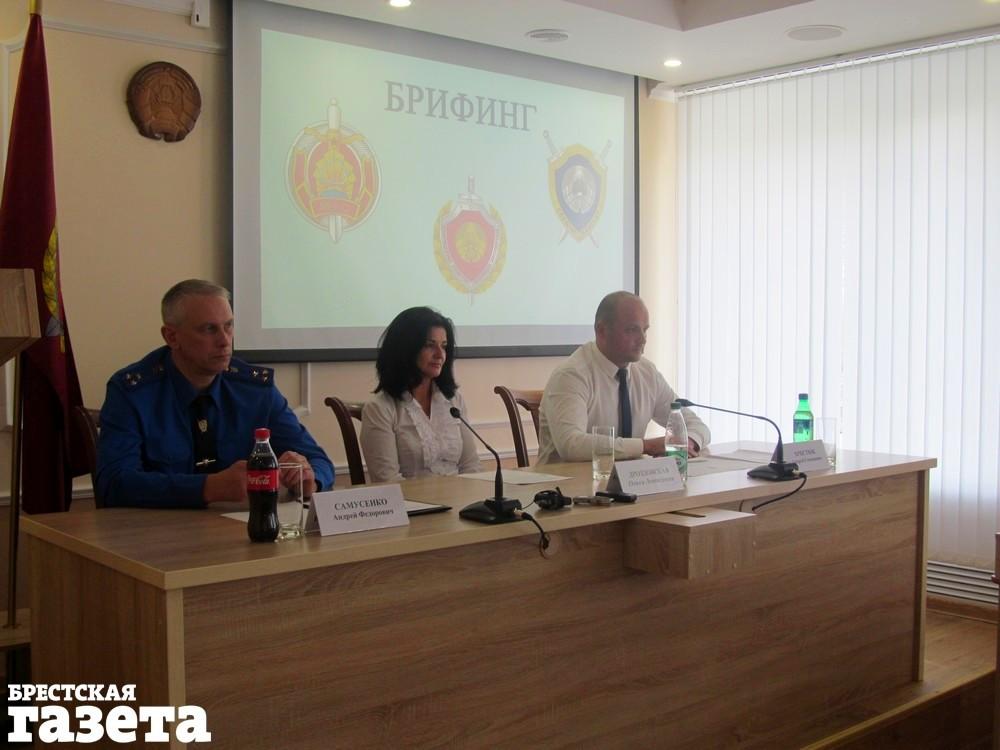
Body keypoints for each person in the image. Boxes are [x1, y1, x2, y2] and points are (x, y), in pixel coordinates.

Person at [96, 279, 334, 508]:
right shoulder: (132, 393)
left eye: (228, 326)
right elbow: (113, 483)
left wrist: (309, 479)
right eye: (209, 329)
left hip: (239, 528)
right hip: (158, 530)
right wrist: (207, 488)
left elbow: (319, 461)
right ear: (172, 337)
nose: (224, 341)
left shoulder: (255, 389)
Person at [536, 291, 710, 464]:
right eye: (632, 330)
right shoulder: (571, 375)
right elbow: (572, 445)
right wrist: (646, 446)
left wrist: (686, 444)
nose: (643, 339)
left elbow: (696, 426)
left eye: (645, 330)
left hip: (632, 479)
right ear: (602, 331)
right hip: (570, 480)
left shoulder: (647, 373)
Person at [361, 307, 481, 483]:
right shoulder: (380, 408)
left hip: (460, 498)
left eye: (444, 346)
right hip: (411, 500)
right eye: (429, 345)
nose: (440, 355)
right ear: (406, 349)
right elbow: (387, 481)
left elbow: (471, 466)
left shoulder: (454, 400)